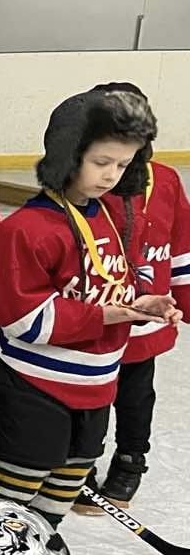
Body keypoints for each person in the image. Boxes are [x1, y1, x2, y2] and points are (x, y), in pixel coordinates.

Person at [0, 87, 178, 555]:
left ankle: (40, 545)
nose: (112, 175)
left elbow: (111, 284)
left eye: (123, 165)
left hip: (96, 385)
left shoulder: (107, 217)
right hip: (36, 386)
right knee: (18, 479)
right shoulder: (28, 229)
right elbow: (21, 318)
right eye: (101, 162)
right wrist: (104, 316)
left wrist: (143, 302)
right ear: (69, 155)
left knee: (69, 477)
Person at [78, 109, 190, 514]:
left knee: (135, 396)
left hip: (144, 320)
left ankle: (130, 460)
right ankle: (79, 465)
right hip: (97, 318)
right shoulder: (85, 182)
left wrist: (185, 298)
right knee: (88, 396)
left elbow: (181, 244)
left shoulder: (166, 181)